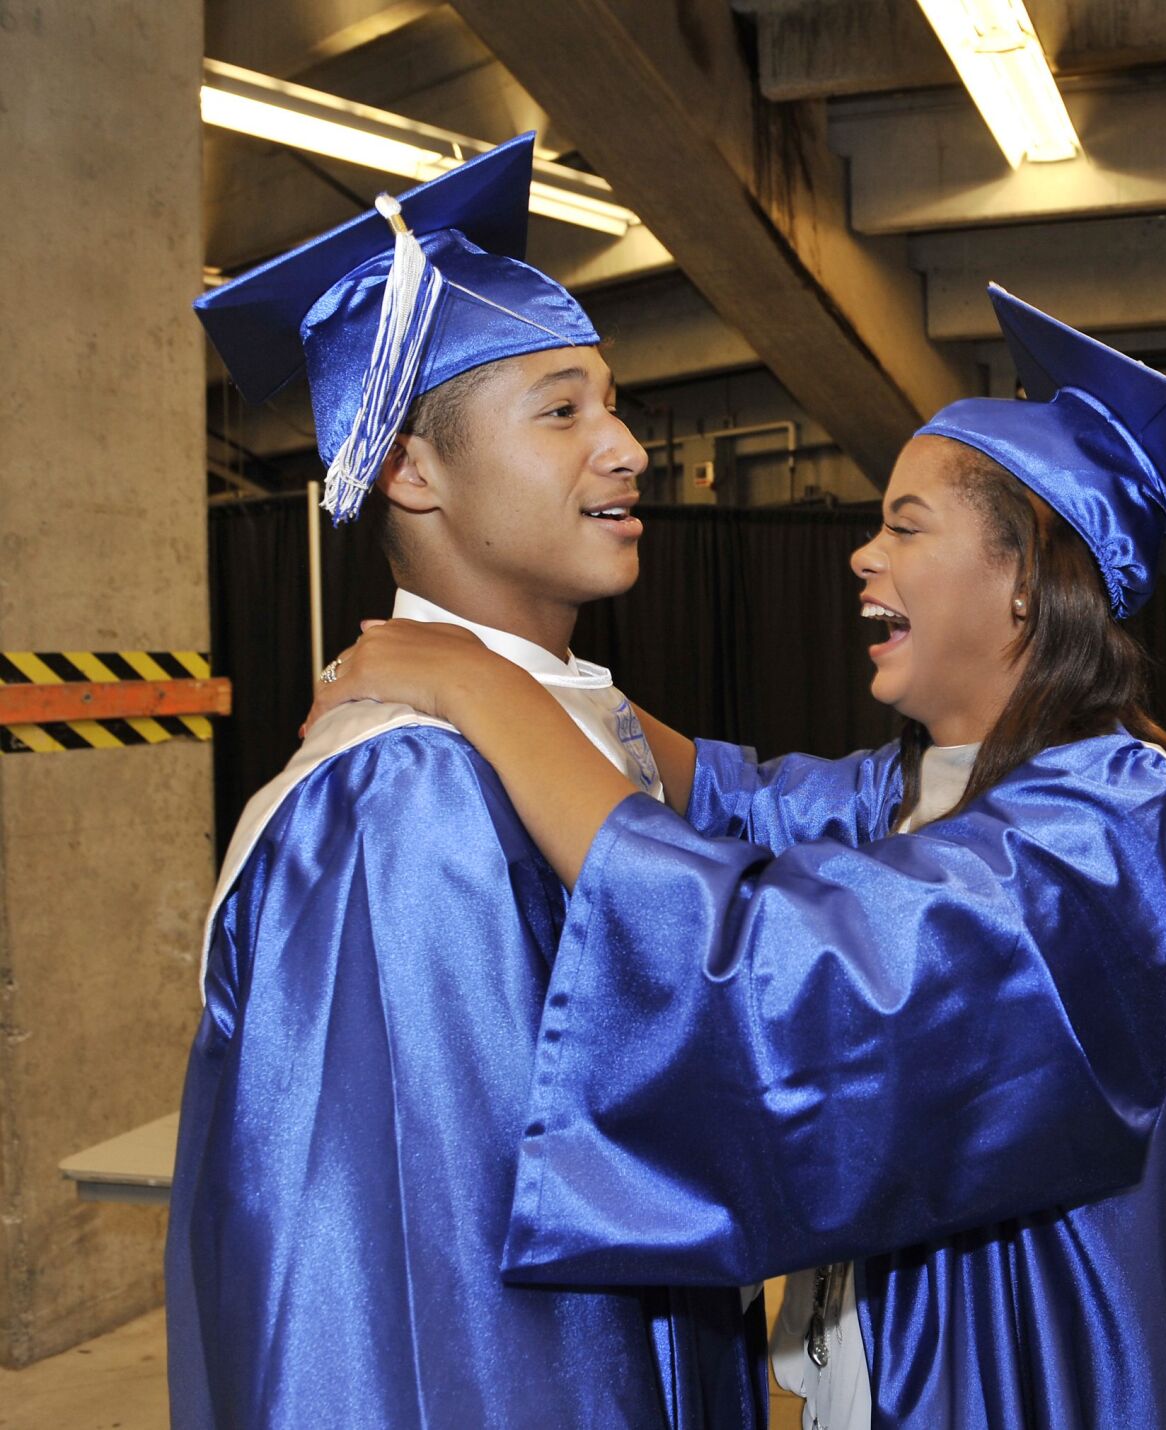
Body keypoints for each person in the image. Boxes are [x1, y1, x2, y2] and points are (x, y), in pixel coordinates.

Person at [309, 284, 1166, 1428]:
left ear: (1025, 578)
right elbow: (730, 796)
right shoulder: (924, 785)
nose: (864, 554)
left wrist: (482, 685)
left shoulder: (1118, 821)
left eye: (905, 525)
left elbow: (804, 965)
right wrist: (543, 676)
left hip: (1025, 1373)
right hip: (905, 1351)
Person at [166, 136, 764, 1429]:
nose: (627, 450)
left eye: (613, 405)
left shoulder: (548, 735)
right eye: (561, 410)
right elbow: (421, 1317)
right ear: (411, 469)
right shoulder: (405, 803)